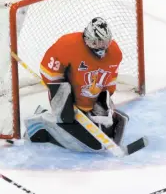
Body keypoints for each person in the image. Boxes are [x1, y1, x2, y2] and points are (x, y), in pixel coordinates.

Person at [24, 17, 129, 153]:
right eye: (96, 42)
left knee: (117, 126)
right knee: (92, 145)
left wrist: (104, 99)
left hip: (92, 99)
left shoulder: (115, 52)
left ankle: (58, 117)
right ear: (86, 38)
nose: (101, 47)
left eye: (104, 42)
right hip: (69, 99)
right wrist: (64, 98)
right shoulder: (68, 45)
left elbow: (110, 79)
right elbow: (48, 72)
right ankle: (39, 124)